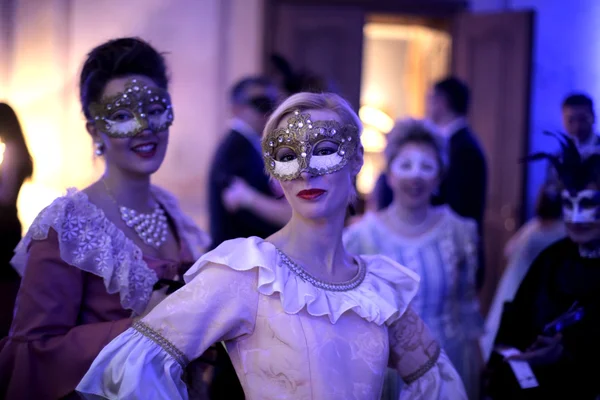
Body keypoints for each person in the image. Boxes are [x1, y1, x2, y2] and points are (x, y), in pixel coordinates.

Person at [77, 92, 467, 399]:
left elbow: (440, 384)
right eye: (287, 156)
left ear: (357, 159)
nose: (306, 169)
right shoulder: (248, 273)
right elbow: (128, 368)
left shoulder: (378, 289)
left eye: (325, 149)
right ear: (274, 173)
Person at [0, 37, 215, 400]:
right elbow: (31, 355)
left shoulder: (174, 213)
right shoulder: (69, 225)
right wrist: (143, 329)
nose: (143, 127)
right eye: (121, 116)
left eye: (153, 109)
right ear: (94, 130)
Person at [344, 118, 483, 399]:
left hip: (450, 361)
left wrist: (479, 371)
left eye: (427, 166)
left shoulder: (460, 231)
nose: (415, 176)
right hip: (384, 372)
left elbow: (467, 309)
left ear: (439, 175)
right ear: (390, 173)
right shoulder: (360, 237)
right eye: (405, 165)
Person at [484, 131, 600, 399]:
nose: (576, 216)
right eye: (569, 204)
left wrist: (570, 349)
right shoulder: (551, 259)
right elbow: (513, 328)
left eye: (588, 204)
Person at [480, 181, 565, 362]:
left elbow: (508, 250)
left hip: (517, 279)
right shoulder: (558, 232)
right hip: (527, 284)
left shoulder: (533, 227)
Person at [427, 76, 487, 290]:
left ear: (442, 102)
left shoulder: (463, 149)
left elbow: (458, 207)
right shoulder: (451, 144)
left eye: (430, 99)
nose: (428, 106)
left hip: (454, 253)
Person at [208, 76, 282, 248]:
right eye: (259, 103)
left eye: (272, 103)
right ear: (236, 108)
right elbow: (242, 213)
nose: (267, 112)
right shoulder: (235, 149)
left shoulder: (249, 145)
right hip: (238, 256)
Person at [0, 103, 33, 337]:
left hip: (3, 229)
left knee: (5, 292)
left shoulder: (12, 152)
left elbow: (5, 196)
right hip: (8, 226)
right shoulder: (15, 150)